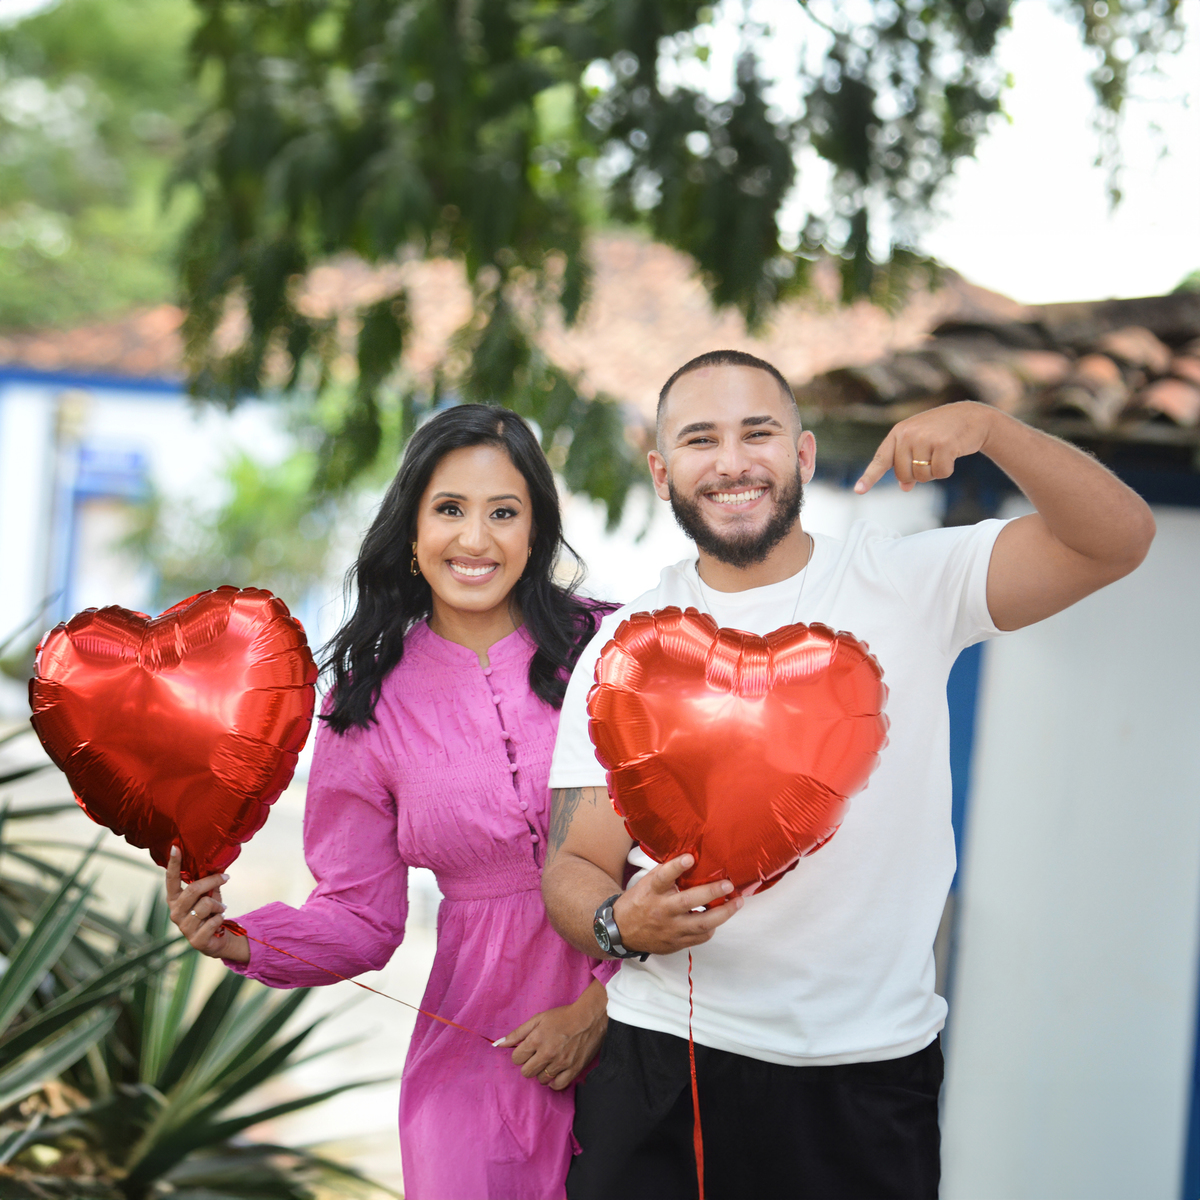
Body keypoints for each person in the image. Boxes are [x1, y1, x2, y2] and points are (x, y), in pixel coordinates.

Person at [541, 348, 1156, 1200]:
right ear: (662, 468)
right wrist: (618, 926)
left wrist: (992, 427)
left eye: (758, 433)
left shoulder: (909, 581)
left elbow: (1118, 539)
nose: (730, 462)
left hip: (866, 1079)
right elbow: (573, 870)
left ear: (801, 453)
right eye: (700, 439)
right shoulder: (622, 648)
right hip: (664, 1063)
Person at [165, 404, 617, 1200]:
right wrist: (239, 940)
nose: (475, 539)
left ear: (536, 533)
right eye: (449, 510)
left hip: (641, 1028)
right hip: (478, 1053)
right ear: (411, 531)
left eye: (503, 513)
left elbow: (692, 844)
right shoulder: (363, 705)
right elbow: (361, 917)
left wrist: (600, 1009)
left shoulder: (613, 651)